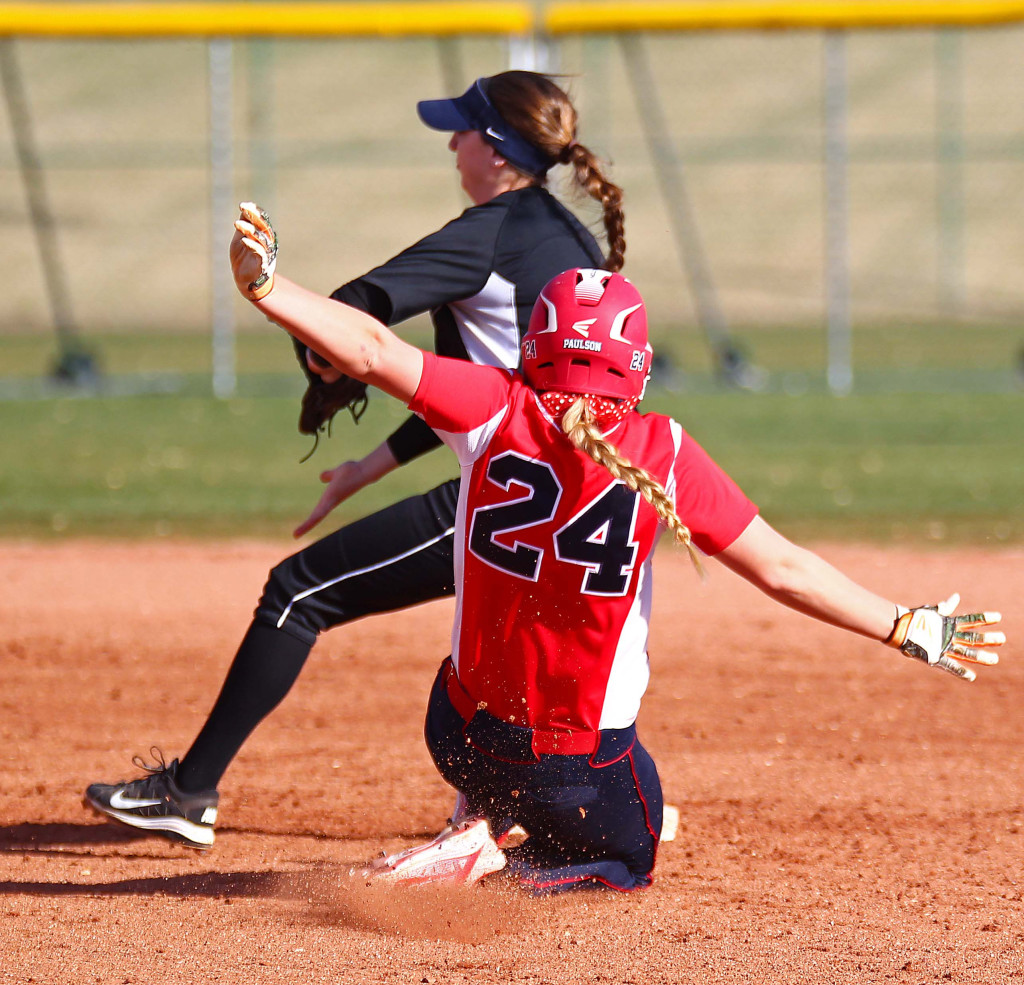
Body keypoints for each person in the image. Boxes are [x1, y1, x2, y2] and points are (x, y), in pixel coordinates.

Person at [220, 208, 1000, 894]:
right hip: (569, 766)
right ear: (638, 363)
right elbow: (783, 569)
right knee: (637, 840)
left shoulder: (493, 406)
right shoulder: (662, 451)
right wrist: (907, 626)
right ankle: (490, 853)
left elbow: (368, 349)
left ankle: (484, 808)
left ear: (535, 344)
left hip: (456, 737)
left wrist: (268, 291)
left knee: (496, 709)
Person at [84, 71, 626, 850]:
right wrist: (368, 465)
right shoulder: (564, 237)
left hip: (511, 501)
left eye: (463, 130)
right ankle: (567, 800)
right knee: (506, 656)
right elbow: (496, 390)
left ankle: (188, 791)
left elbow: (352, 318)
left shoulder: (491, 234)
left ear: (498, 151)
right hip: (588, 501)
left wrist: (308, 337)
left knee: (299, 591)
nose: (452, 143)